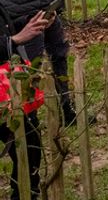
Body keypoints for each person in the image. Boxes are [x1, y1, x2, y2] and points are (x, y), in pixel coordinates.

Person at [1, 10, 52, 200]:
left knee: (29, 145)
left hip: (8, 87)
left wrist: (30, 22)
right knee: (26, 145)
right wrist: (13, 41)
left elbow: (4, 26)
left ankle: (25, 193)